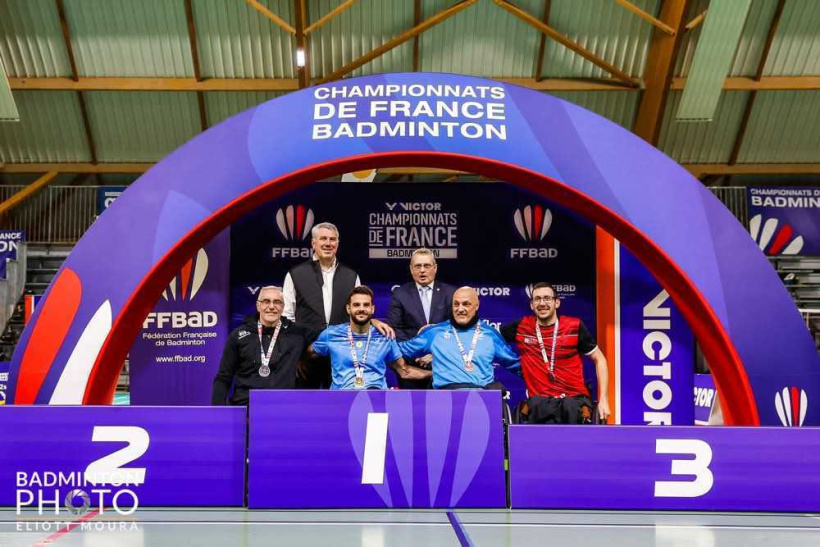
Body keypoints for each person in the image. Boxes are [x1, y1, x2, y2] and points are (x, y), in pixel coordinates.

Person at [282, 221, 392, 387]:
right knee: (305, 408)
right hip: (306, 356)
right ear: (313, 243)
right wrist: (293, 357)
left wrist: (374, 321)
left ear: (338, 243)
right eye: (323, 239)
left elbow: (359, 310)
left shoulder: (351, 275)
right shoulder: (295, 274)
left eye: (332, 239)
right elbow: (286, 318)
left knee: (338, 407)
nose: (328, 243)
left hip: (342, 357)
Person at [501, 282, 610, 424]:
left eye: (547, 298)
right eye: (537, 299)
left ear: (556, 302)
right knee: (536, 405)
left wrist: (604, 399)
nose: (542, 303)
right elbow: (489, 339)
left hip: (574, 400)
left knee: (570, 407)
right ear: (531, 305)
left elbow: (599, 359)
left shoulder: (574, 326)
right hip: (540, 403)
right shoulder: (521, 327)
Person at [399, 286, 520, 390]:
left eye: (466, 304)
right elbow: (396, 350)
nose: (460, 309)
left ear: (477, 305)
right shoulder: (435, 333)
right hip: (443, 400)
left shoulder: (490, 334)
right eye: (456, 304)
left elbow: (517, 365)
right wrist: (403, 369)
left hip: (482, 401)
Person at [310, 286, 430, 389]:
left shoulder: (385, 335)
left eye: (366, 305)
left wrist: (435, 373)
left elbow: (404, 371)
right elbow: (310, 353)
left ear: (372, 309)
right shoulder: (331, 334)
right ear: (348, 309)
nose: (361, 309)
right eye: (356, 305)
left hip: (376, 398)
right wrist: (298, 362)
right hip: (342, 399)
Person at [212, 286, 312, 405]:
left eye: (277, 302)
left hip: (284, 409)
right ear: (258, 306)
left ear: (283, 307)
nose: (271, 307)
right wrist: (218, 412)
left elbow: (327, 336)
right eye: (266, 301)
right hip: (247, 410)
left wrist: (310, 352)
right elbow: (224, 377)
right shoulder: (239, 335)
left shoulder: (298, 333)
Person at [387, 248, 455, 388]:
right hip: (411, 368)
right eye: (418, 266)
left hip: (445, 366)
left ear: (435, 268)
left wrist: (435, 354)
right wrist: (416, 353)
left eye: (427, 266)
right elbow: (395, 329)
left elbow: (455, 329)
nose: (422, 270)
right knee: (412, 409)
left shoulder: (450, 293)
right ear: (411, 269)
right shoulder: (400, 294)